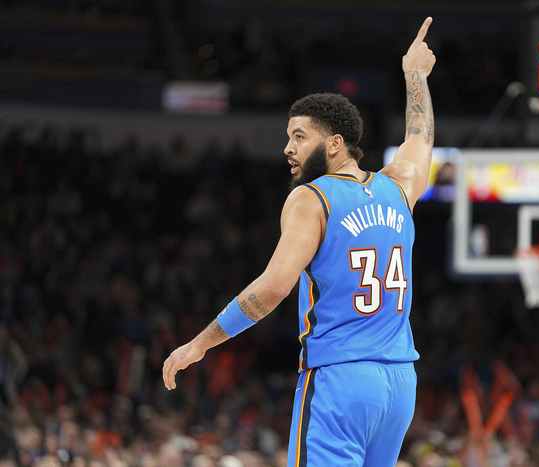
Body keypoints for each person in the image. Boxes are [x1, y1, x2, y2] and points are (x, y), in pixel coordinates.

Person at [163, 17, 436, 467]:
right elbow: (420, 137)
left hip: (340, 380)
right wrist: (415, 76)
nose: (288, 148)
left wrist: (201, 343)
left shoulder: (312, 197)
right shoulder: (399, 189)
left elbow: (273, 288)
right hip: (399, 385)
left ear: (334, 144)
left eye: (299, 137)